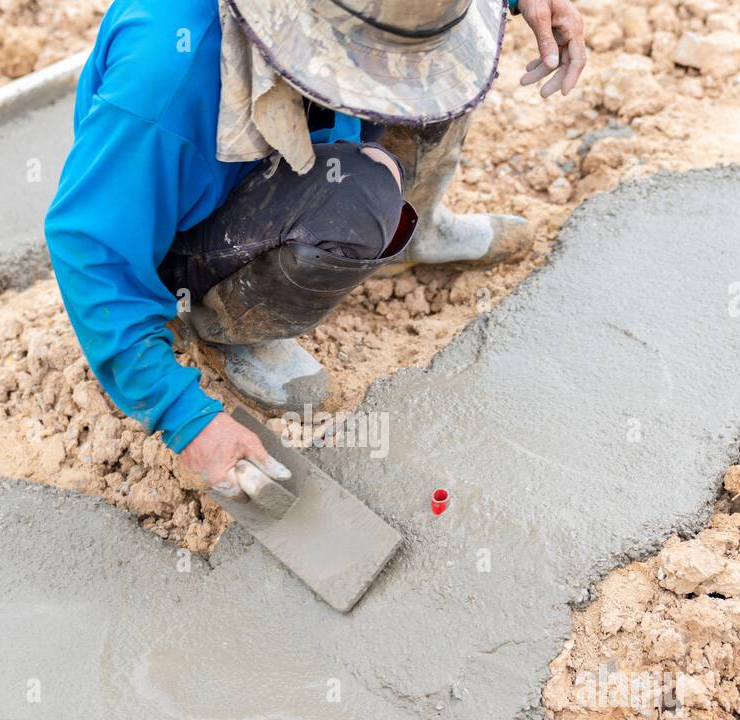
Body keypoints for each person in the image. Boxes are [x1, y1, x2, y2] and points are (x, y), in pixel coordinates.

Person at [44, 0, 586, 497]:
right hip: (197, 221)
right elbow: (88, 245)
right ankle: (224, 319)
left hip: (307, 130)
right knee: (357, 194)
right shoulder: (169, 70)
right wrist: (186, 418)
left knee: (437, 68)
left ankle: (414, 226)